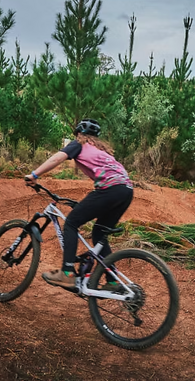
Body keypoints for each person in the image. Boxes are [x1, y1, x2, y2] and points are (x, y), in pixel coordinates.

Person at [25, 118, 134, 290]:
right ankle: (113, 281)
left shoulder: (79, 145)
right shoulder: (101, 150)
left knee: (71, 223)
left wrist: (34, 175)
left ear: (79, 134)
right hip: (126, 190)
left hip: (110, 189)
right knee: (99, 232)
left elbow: (57, 159)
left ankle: (67, 273)